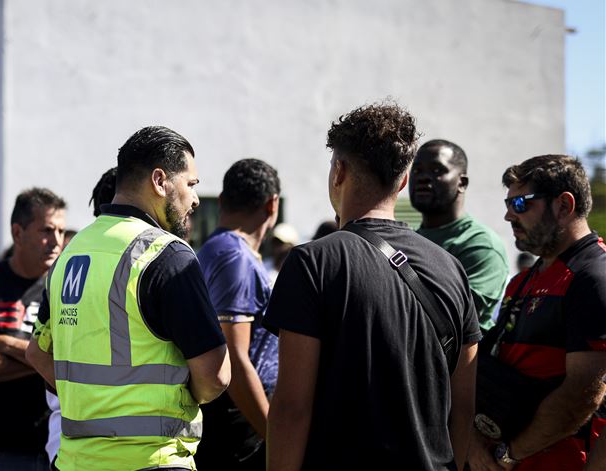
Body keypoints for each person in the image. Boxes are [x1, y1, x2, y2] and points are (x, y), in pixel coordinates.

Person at [264, 102, 481, 470]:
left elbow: (291, 408)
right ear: (403, 181)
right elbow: (463, 409)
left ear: (339, 172)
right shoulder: (452, 268)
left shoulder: (312, 263)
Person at [26, 125, 231, 471]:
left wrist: (90, 403)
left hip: (74, 461)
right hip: (152, 460)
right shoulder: (167, 255)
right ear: (159, 180)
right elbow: (216, 376)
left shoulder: (69, 253)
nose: (195, 199)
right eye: (191, 185)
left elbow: (37, 351)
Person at [468, 155, 606, 470]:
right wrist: (475, 442)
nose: (507, 216)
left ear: (564, 206)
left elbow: (583, 394)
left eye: (520, 204)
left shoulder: (594, 277)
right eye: (507, 204)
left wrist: (508, 454)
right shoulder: (522, 280)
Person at [0, 188, 67, 470]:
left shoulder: (65, 287)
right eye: (46, 230)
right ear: (18, 233)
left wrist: (6, 343)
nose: (56, 241)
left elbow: (77, 364)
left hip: (59, 447)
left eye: (61, 231)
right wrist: (44, 360)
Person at [195, 159, 280, 470]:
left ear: (220, 201)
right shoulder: (234, 256)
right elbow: (234, 356)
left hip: (233, 420)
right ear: (272, 205)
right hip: (239, 427)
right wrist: (275, 434)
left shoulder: (213, 249)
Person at [410, 139, 509, 332]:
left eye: (437, 170)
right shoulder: (407, 240)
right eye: (417, 170)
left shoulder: (481, 244)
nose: (422, 178)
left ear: (462, 182)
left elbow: (457, 317)